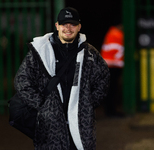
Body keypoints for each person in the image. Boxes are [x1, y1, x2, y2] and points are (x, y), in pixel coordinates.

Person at [14, 7, 110, 150]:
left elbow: (103, 78)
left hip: (80, 125)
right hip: (49, 127)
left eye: (72, 24)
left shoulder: (90, 53)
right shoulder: (40, 51)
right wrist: (43, 106)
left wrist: (87, 104)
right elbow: (22, 80)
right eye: (64, 24)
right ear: (57, 25)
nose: (68, 28)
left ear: (79, 27)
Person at [100, 24, 124, 117]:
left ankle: (110, 110)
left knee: (110, 89)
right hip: (113, 65)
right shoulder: (117, 34)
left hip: (109, 64)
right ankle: (111, 111)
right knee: (111, 89)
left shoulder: (111, 33)